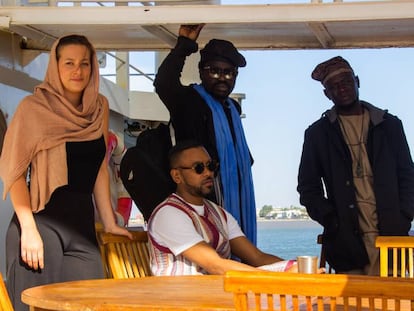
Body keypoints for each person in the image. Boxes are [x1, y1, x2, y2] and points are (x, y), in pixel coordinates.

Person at [0, 34, 132, 311]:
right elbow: (13, 171)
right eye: (69, 63)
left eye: (85, 64)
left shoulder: (99, 108)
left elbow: (98, 167)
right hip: (40, 225)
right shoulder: (33, 109)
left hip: (82, 231)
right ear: (55, 66)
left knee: (92, 304)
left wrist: (108, 222)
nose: (77, 71)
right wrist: (29, 229)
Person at [297, 56, 414, 276]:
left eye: (346, 81)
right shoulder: (318, 134)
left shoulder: (390, 126)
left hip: (391, 235)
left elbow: (408, 176)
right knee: (350, 304)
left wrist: (404, 215)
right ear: (326, 94)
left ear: (357, 81)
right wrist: (332, 220)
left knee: (392, 303)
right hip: (346, 241)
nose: (342, 89)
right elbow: (308, 188)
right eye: (334, 86)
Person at [154, 24, 256, 244]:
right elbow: (163, 83)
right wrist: (184, 45)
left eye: (228, 72)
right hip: (202, 208)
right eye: (214, 71)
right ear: (201, 71)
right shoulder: (189, 102)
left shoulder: (233, 110)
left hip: (236, 205)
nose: (222, 78)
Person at [148, 140, 297, 276]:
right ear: (177, 176)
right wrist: (282, 277)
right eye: (198, 168)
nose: (208, 173)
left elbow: (256, 257)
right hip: (181, 301)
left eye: (211, 166)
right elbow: (216, 266)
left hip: (216, 297)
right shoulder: (169, 214)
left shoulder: (219, 214)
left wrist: (299, 271)